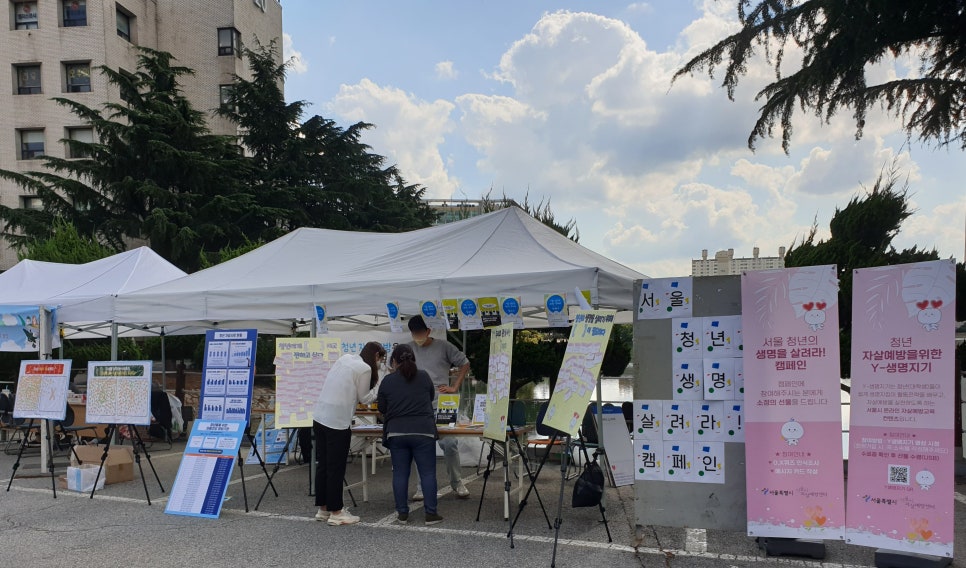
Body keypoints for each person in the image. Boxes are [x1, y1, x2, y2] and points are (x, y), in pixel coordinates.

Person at [312, 341, 386, 526]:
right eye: (381, 359)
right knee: (336, 468)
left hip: (319, 416)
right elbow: (365, 398)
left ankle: (323, 508)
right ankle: (337, 512)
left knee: (324, 465)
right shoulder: (364, 369)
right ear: (376, 356)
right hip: (337, 422)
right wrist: (380, 388)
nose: (380, 364)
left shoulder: (345, 358)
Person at [405, 315, 471, 499]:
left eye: (420, 332)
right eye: (414, 333)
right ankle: (422, 487)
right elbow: (393, 367)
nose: (417, 336)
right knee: (421, 445)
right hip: (417, 405)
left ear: (428, 331)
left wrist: (455, 386)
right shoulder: (408, 349)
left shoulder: (444, 346)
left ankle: (457, 482)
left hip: (443, 403)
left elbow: (465, 363)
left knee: (450, 444)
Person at [377, 344, 443, 525]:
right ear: (413, 358)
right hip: (423, 431)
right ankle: (431, 514)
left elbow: (382, 407)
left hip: (397, 432)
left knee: (400, 474)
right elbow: (430, 397)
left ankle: (402, 514)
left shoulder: (388, 380)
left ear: (394, 361)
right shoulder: (424, 376)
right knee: (427, 473)